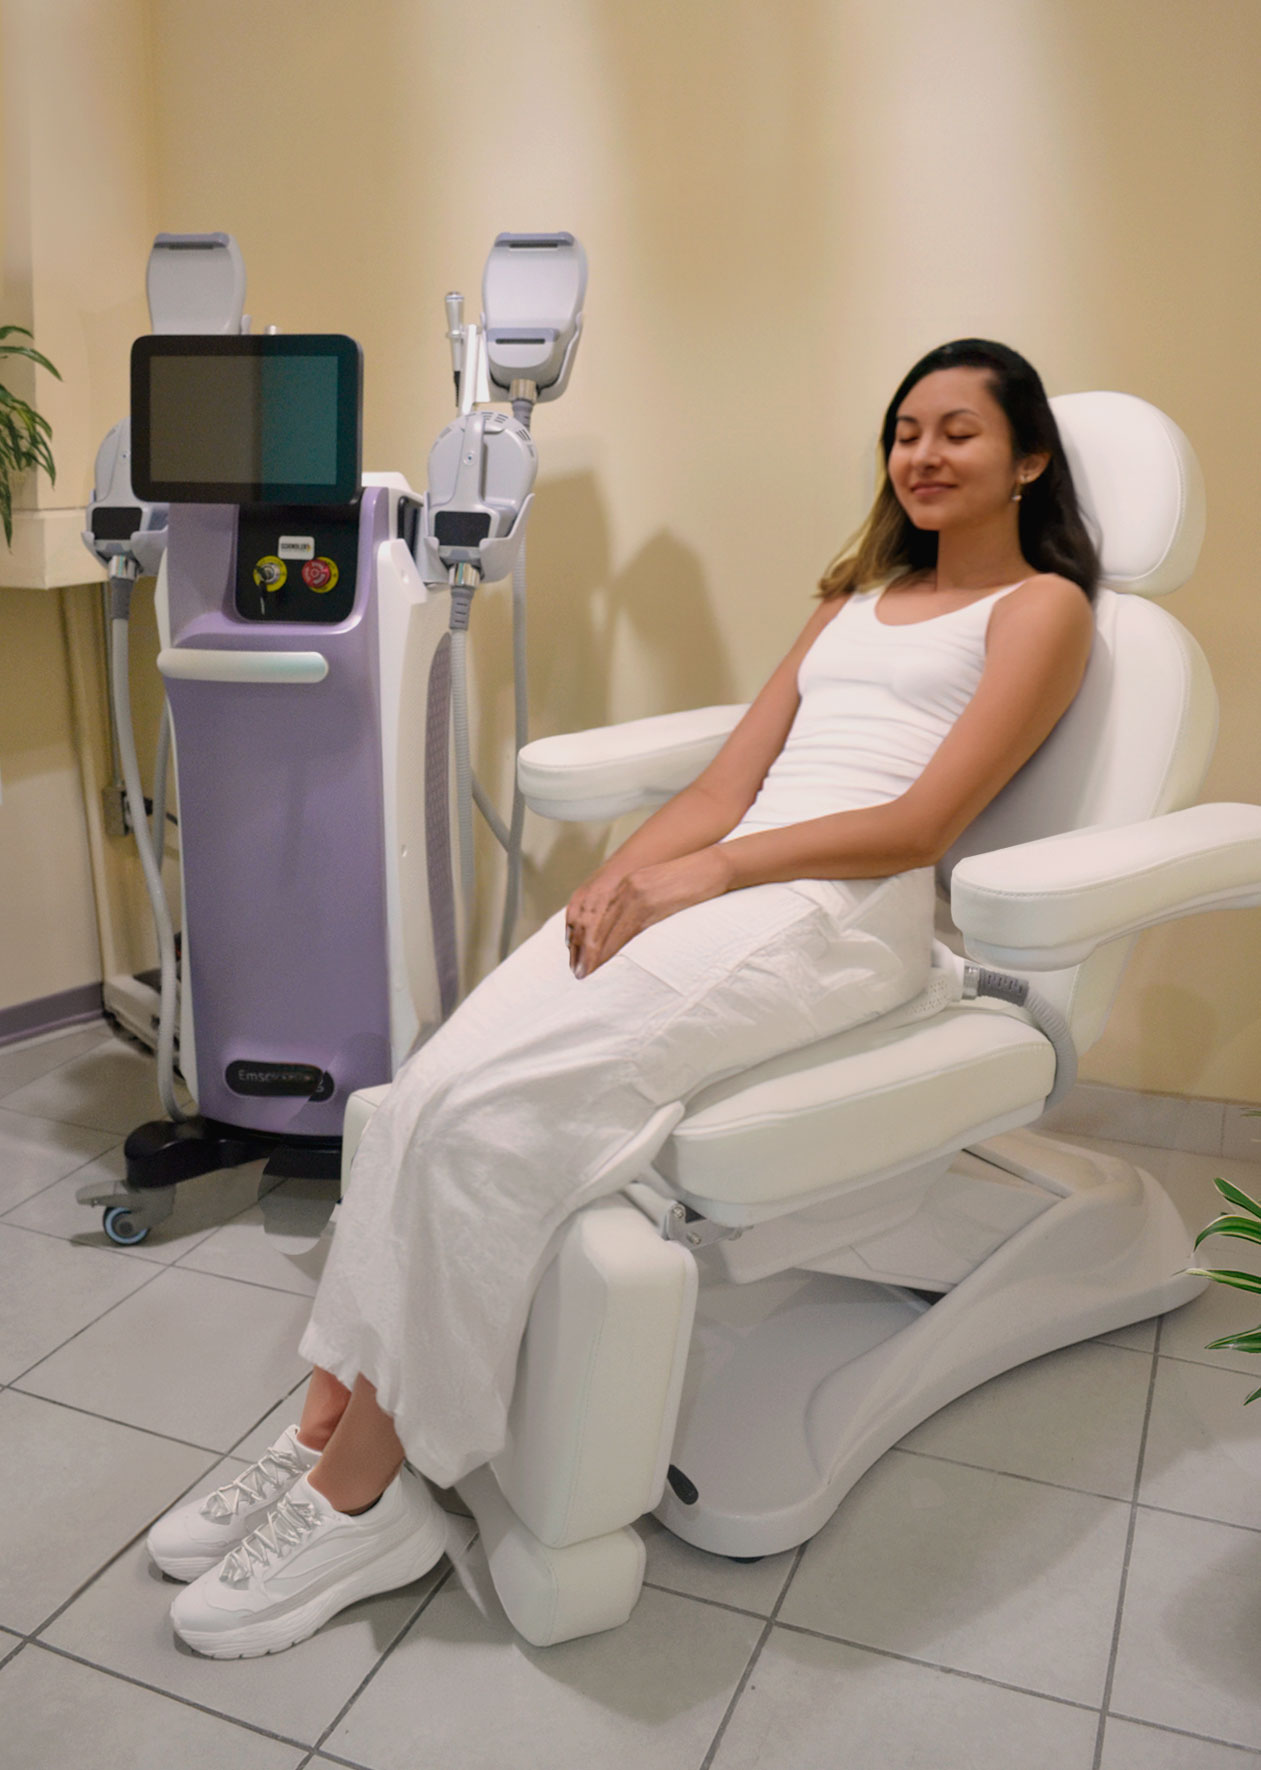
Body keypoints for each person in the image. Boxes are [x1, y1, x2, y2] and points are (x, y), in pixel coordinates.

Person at [148, 338, 1100, 1658]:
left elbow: (914, 822)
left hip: (837, 911)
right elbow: (724, 783)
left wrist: (705, 872)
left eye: (957, 432)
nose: (923, 457)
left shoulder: (1041, 607)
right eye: (903, 432)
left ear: (1027, 457)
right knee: (419, 1088)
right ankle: (322, 1417)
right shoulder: (851, 602)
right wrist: (616, 883)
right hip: (723, 882)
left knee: (493, 1115)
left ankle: (368, 1490)